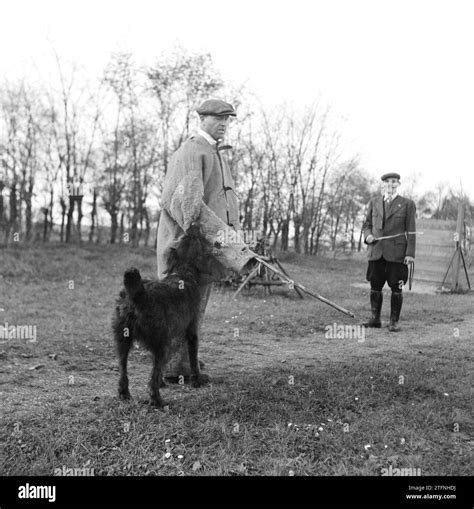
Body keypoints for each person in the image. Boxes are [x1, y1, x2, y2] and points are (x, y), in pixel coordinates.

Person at [156, 98, 256, 382]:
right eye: (218, 119)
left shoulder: (215, 153)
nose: (224, 124)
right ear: (202, 119)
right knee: (181, 307)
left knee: (195, 307)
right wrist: (231, 245)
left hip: (205, 249)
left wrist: (235, 244)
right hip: (185, 250)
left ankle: (185, 364)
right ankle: (175, 370)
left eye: (228, 120)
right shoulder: (192, 152)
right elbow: (189, 208)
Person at [362, 173, 416, 332]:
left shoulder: (407, 204)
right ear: (383, 185)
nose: (390, 185)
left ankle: (394, 322)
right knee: (375, 286)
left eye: (393, 182)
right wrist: (368, 236)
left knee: (396, 288)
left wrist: (410, 253)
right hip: (376, 251)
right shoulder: (374, 202)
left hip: (397, 253)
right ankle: (375, 319)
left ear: (398, 184)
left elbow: (411, 230)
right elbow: (366, 225)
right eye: (387, 182)